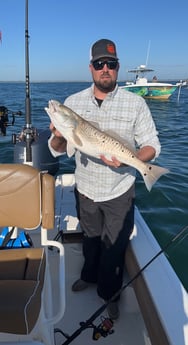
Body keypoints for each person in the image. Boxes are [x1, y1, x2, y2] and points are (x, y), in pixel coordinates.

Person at [48, 38, 161, 320]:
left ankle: (109, 294)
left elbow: (151, 145)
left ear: (118, 67)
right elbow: (57, 149)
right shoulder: (72, 103)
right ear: (91, 68)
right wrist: (60, 134)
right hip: (85, 189)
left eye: (110, 64)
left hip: (119, 192)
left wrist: (136, 160)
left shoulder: (135, 104)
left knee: (114, 249)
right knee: (90, 240)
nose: (105, 69)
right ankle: (89, 276)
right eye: (100, 64)